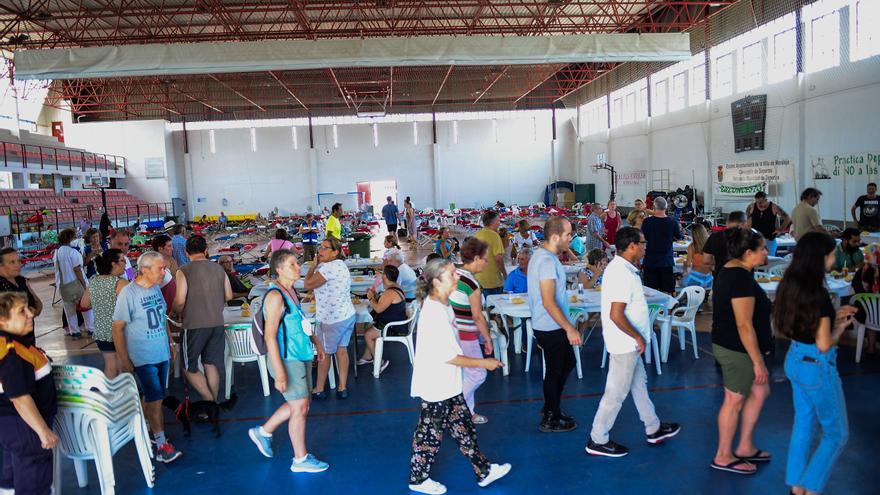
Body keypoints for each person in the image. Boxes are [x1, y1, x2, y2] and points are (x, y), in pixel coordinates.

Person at [407, 258, 509, 494]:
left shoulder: (444, 304)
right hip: (437, 385)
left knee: (463, 428)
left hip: (449, 384)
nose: (457, 277)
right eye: (452, 274)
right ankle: (418, 478)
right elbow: (449, 356)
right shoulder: (434, 312)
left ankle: (484, 471)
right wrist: (485, 362)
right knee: (429, 435)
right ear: (436, 281)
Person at [773, 232, 856, 495]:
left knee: (804, 425)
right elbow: (823, 344)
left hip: (796, 359)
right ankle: (811, 488)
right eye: (831, 254)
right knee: (836, 435)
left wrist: (831, 319)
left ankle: (797, 486)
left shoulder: (791, 285)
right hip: (817, 366)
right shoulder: (818, 295)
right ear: (820, 258)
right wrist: (840, 328)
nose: (834, 258)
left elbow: (804, 324)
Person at [587, 227, 681, 457]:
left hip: (629, 345)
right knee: (616, 393)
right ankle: (597, 439)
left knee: (639, 386)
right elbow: (616, 314)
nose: (645, 246)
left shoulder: (625, 270)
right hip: (625, 345)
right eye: (643, 242)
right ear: (631, 246)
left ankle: (653, 427)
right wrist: (638, 336)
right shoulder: (621, 273)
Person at [247, 249, 329, 473]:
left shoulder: (291, 291)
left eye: (297, 263)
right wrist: (280, 372)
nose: (298, 267)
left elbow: (299, 322)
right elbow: (270, 336)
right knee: (300, 406)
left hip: (300, 354)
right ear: (279, 269)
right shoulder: (275, 297)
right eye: (292, 264)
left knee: (302, 403)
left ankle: (263, 432)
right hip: (286, 358)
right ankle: (300, 460)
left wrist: (316, 343)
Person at [710, 228, 772, 475]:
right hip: (736, 349)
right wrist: (757, 361)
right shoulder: (740, 279)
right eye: (763, 248)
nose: (767, 252)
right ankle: (723, 455)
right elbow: (743, 324)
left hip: (734, 345)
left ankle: (745, 445)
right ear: (748, 253)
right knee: (734, 400)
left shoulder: (734, 269)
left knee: (759, 390)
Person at [113, 251, 181, 463]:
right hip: (143, 356)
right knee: (156, 400)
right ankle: (161, 444)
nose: (164, 272)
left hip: (160, 351)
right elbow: (117, 328)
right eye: (160, 268)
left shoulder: (155, 289)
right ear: (144, 270)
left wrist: (169, 342)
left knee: (153, 397)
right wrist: (124, 359)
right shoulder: (129, 294)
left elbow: (162, 318)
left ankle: (141, 430)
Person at [0, 292, 59, 495]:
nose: (30, 315)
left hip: (11, 428)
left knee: (11, 474)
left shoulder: (12, 343)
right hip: (25, 428)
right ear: (2, 320)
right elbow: (19, 396)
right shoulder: (12, 352)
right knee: (34, 480)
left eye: (28, 309)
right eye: (21, 312)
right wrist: (42, 430)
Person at [527, 216, 581, 433]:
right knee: (555, 371)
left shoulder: (543, 257)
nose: (571, 238)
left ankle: (552, 407)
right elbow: (549, 301)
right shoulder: (547, 262)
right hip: (550, 326)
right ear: (555, 236)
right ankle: (550, 416)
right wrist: (569, 328)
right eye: (568, 235)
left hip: (550, 325)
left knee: (566, 364)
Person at [173, 235, 233, 404]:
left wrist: (173, 311)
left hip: (194, 325)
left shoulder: (183, 270)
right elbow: (228, 295)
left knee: (189, 368)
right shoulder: (218, 269)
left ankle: (208, 401)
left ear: (186, 252)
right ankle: (213, 402)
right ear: (206, 250)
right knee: (211, 364)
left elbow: (180, 301)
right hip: (217, 323)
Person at [449, 238, 495, 425]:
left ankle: (468, 412)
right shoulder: (472, 284)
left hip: (452, 332)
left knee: (465, 374)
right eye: (485, 259)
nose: (486, 262)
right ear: (476, 258)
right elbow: (477, 316)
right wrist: (487, 338)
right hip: (466, 335)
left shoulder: (454, 275)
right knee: (478, 374)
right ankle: (453, 407)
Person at [304, 236, 356, 399]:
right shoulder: (341, 265)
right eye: (321, 247)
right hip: (347, 315)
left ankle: (318, 388)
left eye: (325, 248)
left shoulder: (327, 268)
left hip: (331, 320)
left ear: (335, 252)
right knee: (342, 351)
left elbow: (307, 284)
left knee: (324, 353)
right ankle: (342, 387)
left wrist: (312, 266)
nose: (321, 250)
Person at [80, 249, 128, 379]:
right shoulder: (121, 283)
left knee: (111, 367)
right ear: (113, 264)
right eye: (123, 260)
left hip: (101, 332)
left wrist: (99, 303)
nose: (125, 264)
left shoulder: (94, 281)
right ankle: (123, 394)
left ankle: (109, 394)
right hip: (119, 331)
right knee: (124, 366)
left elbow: (84, 304)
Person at [357, 265, 408, 373]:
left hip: (394, 327)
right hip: (396, 323)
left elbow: (378, 309)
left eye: (382, 273)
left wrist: (370, 297)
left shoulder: (390, 292)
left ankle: (380, 362)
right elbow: (384, 303)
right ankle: (367, 356)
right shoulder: (396, 287)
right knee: (369, 326)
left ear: (385, 277)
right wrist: (375, 296)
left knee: (368, 334)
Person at [54, 228, 94, 339]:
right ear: (70, 238)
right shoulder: (73, 252)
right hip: (77, 284)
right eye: (74, 237)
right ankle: (91, 329)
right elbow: (77, 269)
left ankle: (74, 331)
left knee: (69, 310)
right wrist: (85, 285)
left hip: (63, 286)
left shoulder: (56, 253)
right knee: (87, 307)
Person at [640, 197, 682, 294]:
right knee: (667, 291)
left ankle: (653, 309)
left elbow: (642, 239)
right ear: (666, 207)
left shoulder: (647, 222)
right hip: (666, 260)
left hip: (650, 260)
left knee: (650, 292)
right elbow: (679, 238)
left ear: (654, 207)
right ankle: (667, 309)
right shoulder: (672, 222)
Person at [0, 248, 43, 338]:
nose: (18, 265)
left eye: (18, 261)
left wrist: (33, 312)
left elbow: (38, 305)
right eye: (12, 262)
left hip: (28, 339)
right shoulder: (2, 286)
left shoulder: (21, 280)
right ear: (1, 266)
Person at [851, 243, 880, 355]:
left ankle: (871, 347)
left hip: (865, 314)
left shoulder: (861, 272)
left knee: (871, 311)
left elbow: (856, 288)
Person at [746, 191, 791, 256]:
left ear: (766, 200)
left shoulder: (774, 207)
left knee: (769, 260)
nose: (759, 204)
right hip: (755, 240)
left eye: (761, 202)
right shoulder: (751, 207)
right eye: (757, 202)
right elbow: (748, 224)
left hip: (769, 239)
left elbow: (787, 218)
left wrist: (781, 229)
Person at [703, 211, 747, 277]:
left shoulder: (714, 236)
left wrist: (719, 261)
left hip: (720, 277)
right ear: (744, 223)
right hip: (743, 277)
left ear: (727, 222)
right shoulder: (750, 237)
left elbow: (706, 260)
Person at [474, 211, 507, 296]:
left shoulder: (477, 234)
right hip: (492, 280)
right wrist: (504, 274)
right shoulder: (494, 236)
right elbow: (498, 258)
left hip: (479, 278)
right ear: (493, 222)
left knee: (485, 307)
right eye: (498, 221)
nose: (499, 223)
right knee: (495, 307)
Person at [151, 234, 178, 308]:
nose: (172, 248)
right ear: (160, 248)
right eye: (169, 246)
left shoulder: (172, 260)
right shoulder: (153, 264)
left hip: (174, 299)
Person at [683, 223, 714, 289]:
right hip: (709, 278)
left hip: (695, 278)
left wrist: (684, 265)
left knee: (679, 283)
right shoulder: (711, 244)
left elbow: (688, 264)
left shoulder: (692, 246)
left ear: (694, 235)